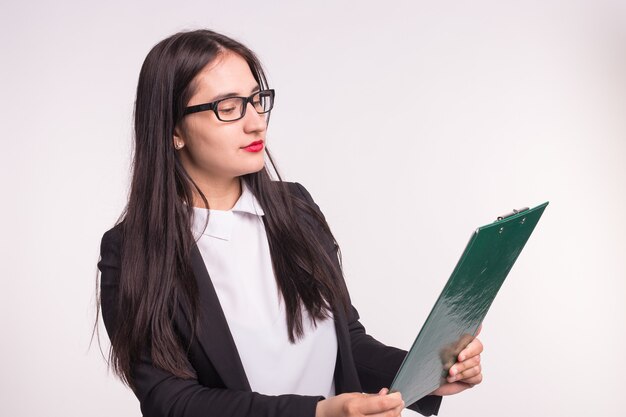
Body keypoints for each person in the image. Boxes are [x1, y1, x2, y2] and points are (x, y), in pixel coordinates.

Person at [97, 29, 484, 417]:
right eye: (228, 108)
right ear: (173, 129)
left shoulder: (296, 208)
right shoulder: (130, 250)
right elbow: (171, 401)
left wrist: (426, 374)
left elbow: (347, 342)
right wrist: (317, 413)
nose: (255, 124)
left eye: (256, 100)